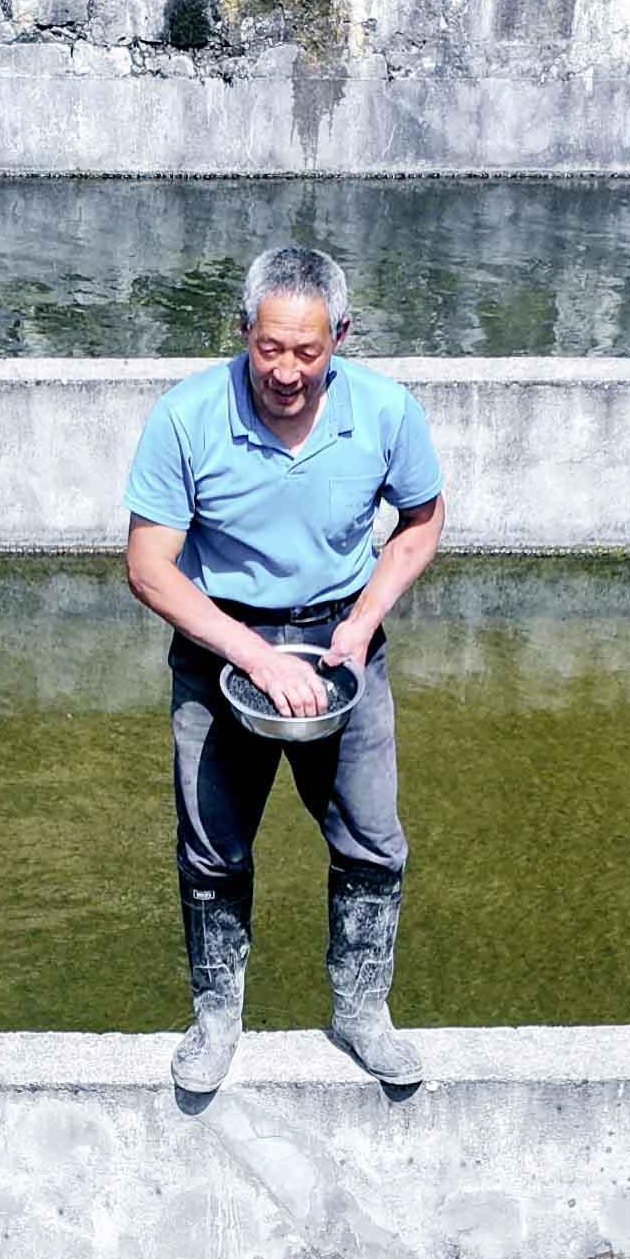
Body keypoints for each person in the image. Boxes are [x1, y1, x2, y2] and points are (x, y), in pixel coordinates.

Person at [121, 243, 447, 1092]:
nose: (288, 371)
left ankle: (363, 1012)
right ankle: (216, 1015)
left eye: (309, 351)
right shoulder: (187, 416)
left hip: (342, 646)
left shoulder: (386, 411)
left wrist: (367, 615)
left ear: (342, 335)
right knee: (212, 850)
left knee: (374, 842)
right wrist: (253, 654)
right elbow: (151, 566)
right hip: (222, 646)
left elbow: (421, 522)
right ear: (242, 332)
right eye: (270, 349)